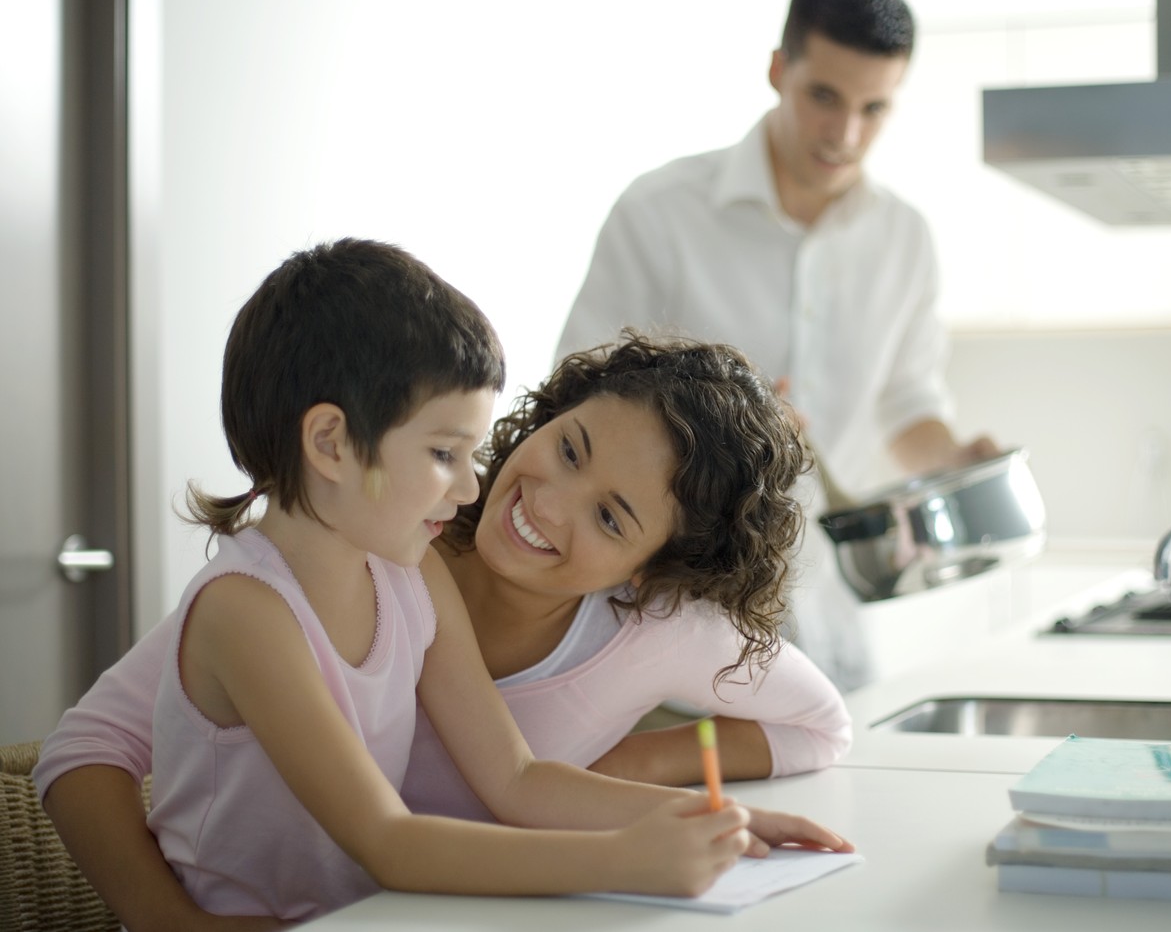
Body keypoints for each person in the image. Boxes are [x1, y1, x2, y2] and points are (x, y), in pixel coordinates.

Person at [37, 239, 850, 927]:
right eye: (443, 455)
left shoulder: (410, 571)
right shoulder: (247, 613)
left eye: (611, 517)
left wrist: (711, 818)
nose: (471, 489)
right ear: (330, 443)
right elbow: (387, 838)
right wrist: (623, 858)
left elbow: (518, 779)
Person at [556, 0, 999, 692]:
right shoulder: (661, 212)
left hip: (827, 611)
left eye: (873, 108)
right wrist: (724, 425)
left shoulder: (905, 240)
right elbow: (580, 394)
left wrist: (954, 456)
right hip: (670, 613)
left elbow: (905, 403)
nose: (845, 134)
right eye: (824, 97)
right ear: (777, 71)